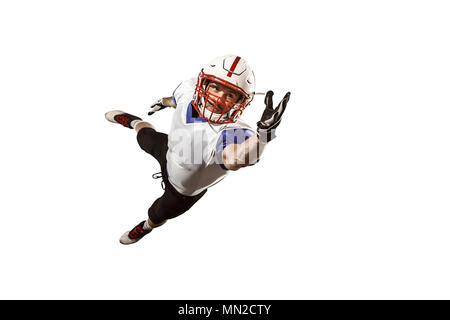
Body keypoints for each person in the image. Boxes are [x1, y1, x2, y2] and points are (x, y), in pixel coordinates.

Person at [105, 54, 290, 245]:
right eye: (215, 88)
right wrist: (163, 102)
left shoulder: (234, 131)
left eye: (229, 95)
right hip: (171, 149)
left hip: (182, 191)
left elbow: (236, 159)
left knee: (157, 214)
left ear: (239, 101)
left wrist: (263, 136)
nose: (219, 98)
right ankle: (134, 122)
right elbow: (177, 99)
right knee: (143, 136)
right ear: (204, 84)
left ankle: (146, 227)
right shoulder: (189, 90)